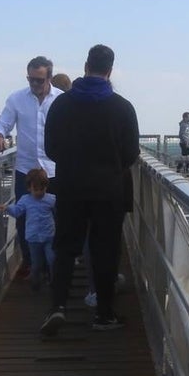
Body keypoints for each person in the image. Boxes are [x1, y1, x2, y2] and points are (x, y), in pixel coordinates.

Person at [41, 44, 139, 335]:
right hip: (109, 190)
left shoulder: (62, 105)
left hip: (71, 187)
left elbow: (51, 149)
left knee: (65, 248)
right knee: (105, 251)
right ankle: (104, 314)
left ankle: (57, 307)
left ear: (85, 67)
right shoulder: (122, 107)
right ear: (109, 70)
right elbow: (131, 153)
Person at [0, 56, 63, 278]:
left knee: (57, 216)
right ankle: (31, 262)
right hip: (27, 169)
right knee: (23, 216)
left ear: (49, 77)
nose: (34, 84)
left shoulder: (61, 100)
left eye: (39, 80)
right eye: (31, 79)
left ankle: (55, 262)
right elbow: (3, 122)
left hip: (54, 169)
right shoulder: (16, 99)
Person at [0, 168, 57, 292]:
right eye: (36, 189)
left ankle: (54, 282)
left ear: (46, 187)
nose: (39, 192)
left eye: (42, 189)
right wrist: (7, 208)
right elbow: (18, 211)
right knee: (36, 264)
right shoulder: (25, 200)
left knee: (52, 260)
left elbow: (58, 212)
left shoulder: (51, 199)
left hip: (49, 236)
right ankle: (36, 282)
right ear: (29, 188)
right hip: (33, 237)